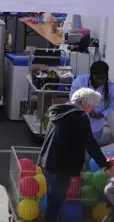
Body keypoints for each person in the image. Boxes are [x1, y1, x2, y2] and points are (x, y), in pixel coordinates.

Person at [38, 88, 114, 221]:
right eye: (93, 106)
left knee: (54, 201)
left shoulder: (59, 111)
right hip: (61, 167)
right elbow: (90, 144)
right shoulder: (80, 116)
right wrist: (105, 165)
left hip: (47, 162)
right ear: (88, 104)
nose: (92, 110)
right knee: (56, 204)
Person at [70, 61, 114, 143]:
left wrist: (102, 114)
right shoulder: (80, 80)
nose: (100, 81)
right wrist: (83, 109)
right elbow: (72, 98)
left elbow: (112, 105)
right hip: (78, 123)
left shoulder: (111, 87)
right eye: (97, 78)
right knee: (77, 151)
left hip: (96, 127)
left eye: (103, 78)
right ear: (91, 75)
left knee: (92, 152)